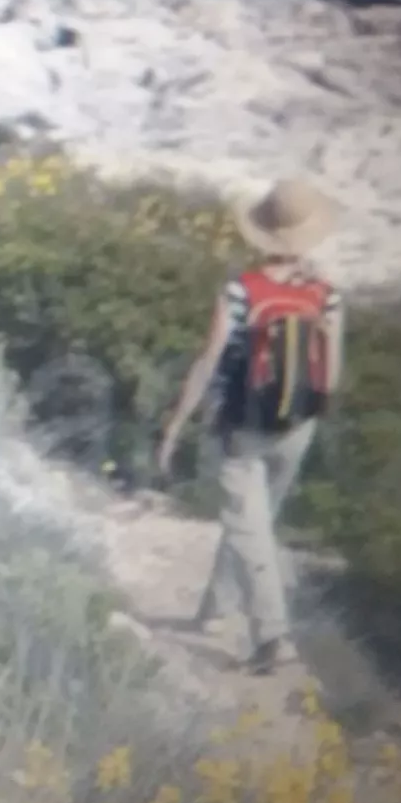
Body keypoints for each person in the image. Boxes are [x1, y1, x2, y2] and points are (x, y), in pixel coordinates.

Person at [155, 177, 346, 675]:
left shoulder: (241, 291)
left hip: (243, 424)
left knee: (248, 526)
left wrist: (176, 423)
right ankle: (215, 613)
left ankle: (273, 639)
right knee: (253, 524)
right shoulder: (325, 296)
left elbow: (208, 360)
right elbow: (334, 372)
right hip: (299, 426)